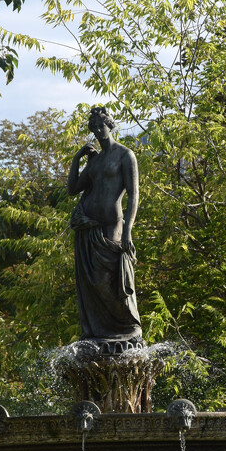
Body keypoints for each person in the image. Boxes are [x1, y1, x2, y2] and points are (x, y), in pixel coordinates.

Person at [67, 106, 143, 349]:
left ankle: (127, 328)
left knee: (109, 279)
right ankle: (99, 332)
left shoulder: (125, 155)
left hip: (112, 225)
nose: (99, 131)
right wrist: (77, 158)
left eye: (102, 126)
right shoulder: (95, 160)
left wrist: (128, 230)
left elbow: (134, 195)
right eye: (95, 128)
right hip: (87, 228)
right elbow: (73, 189)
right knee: (91, 284)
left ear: (111, 125)